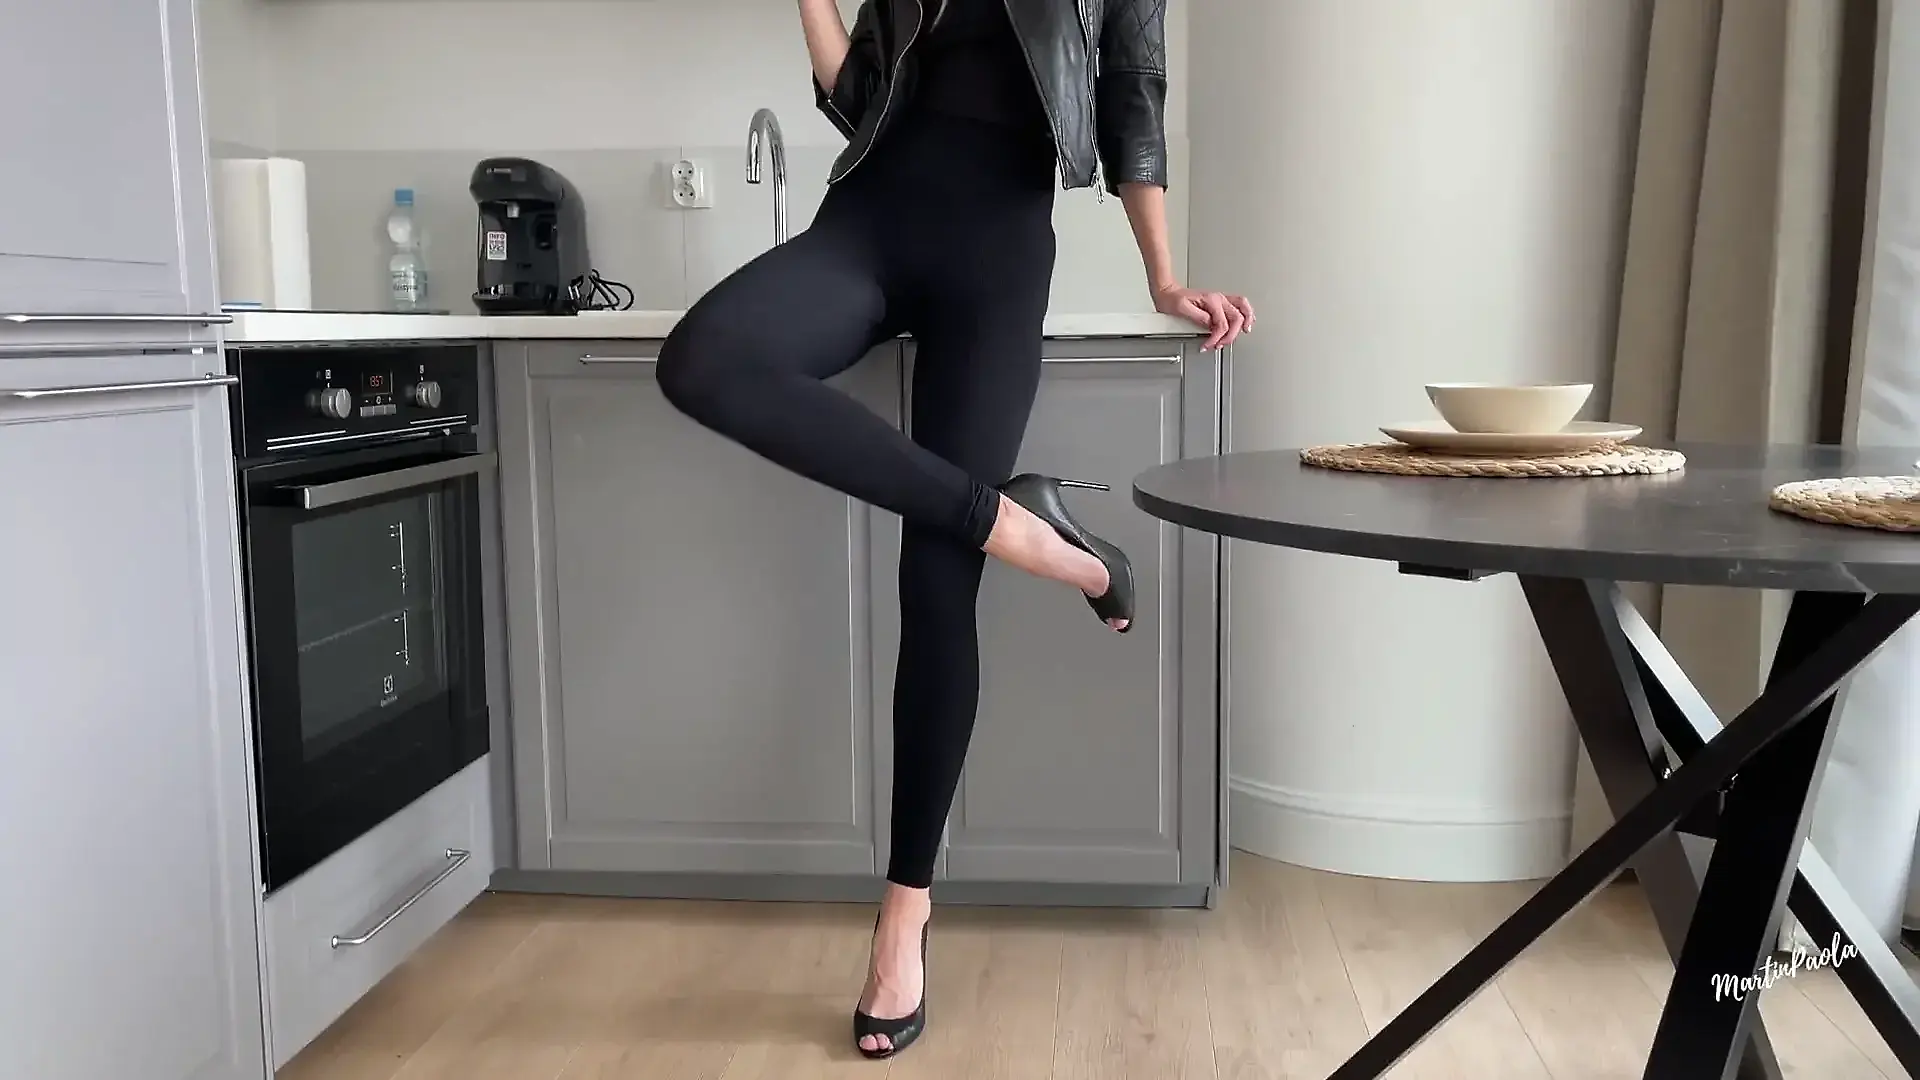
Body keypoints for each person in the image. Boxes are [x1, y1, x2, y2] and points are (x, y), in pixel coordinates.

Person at [654, 0, 1253, 1059]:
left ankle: (903, 921)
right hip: (866, 224)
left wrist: (1164, 273)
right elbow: (858, 95)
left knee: (936, 586)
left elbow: (1132, 93)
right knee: (704, 358)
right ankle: (1018, 526)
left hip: (997, 246)